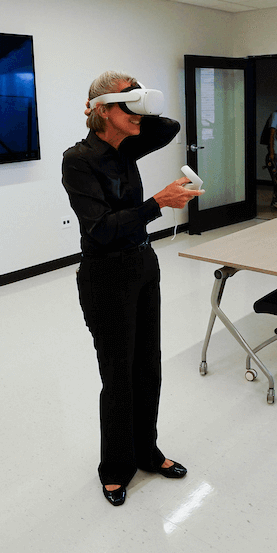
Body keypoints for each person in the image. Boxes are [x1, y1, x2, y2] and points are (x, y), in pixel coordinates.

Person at [61, 72, 201, 507]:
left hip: (143, 264)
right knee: (118, 374)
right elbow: (100, 230)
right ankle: (115, 467)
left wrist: (134, 99)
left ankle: (147, 451)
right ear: (102, 110)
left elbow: (170, 127)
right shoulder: (78, 159)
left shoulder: (130, 143)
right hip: (106, 274)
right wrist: (157, 203)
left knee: (148, 367)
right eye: (129, 105)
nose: (139, 114)